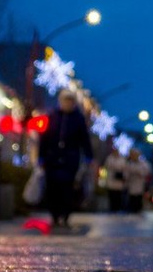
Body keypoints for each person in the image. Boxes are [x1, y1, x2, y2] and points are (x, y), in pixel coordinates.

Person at [38, 90, 93, 228]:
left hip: (70, 159)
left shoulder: (78, 118)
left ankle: (65, 215)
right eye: (65, 100)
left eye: (70, 100)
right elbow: (44, 138)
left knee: (67, 188)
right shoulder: (52, 116)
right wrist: (41, 156)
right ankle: (54, 215)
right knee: (52, 188)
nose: (68, 103)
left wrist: (88, 156)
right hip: (52, 158)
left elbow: (84, 139)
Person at [124, 149, 151, 213]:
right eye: (133, 155)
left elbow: (147, 172)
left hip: (140, 185)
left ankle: (139, 212)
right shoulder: (129, 164)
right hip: (131, 185)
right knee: (132, 201)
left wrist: (139, 172)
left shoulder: (143, 163)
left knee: (139, 200)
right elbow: (125, 174)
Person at [103, 147, 128, 213]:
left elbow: (124, 168)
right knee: (112, 196)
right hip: (111, 180)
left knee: (118, 197)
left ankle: (118, 209)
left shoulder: (122, 159)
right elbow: (107, 166)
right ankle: (112, 209)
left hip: (119, 181)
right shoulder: (109, 158)